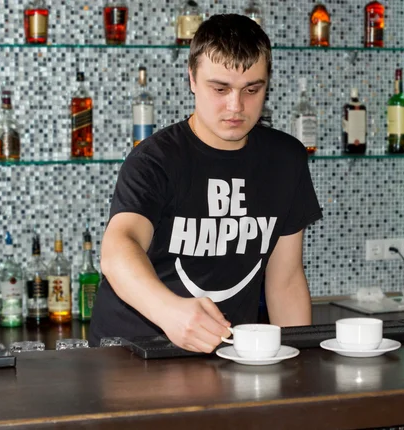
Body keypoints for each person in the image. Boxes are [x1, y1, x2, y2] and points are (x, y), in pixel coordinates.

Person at [89, 14, 322, 352]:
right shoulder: (155, 160)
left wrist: (302, 360)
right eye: (220, 88)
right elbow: (117, 250)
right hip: (132, 351)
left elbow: (285, 279)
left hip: (228, 351)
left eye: (252, 90)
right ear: (192, 80)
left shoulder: (286, 160)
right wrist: (170, 312)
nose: (236, 106)